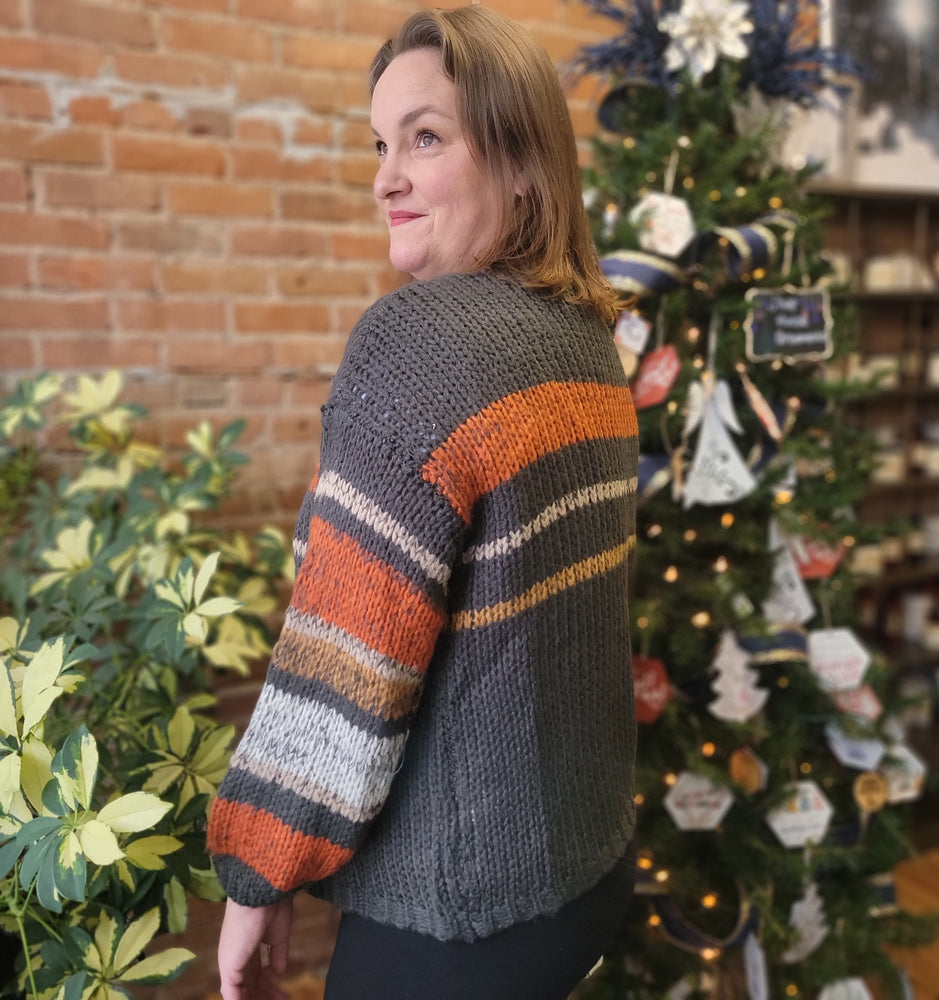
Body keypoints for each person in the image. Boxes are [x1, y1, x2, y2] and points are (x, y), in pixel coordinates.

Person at [207, 7, 639, 999]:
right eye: (380, 143)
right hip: (582, 866)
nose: (383, 176)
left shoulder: (421, 343)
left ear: (524, 164)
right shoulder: (585, 342)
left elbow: (347, 659)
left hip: (464, 909)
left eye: (425, 138)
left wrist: (257, 872)